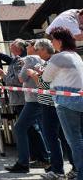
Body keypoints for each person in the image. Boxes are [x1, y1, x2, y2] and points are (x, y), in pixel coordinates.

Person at [25, 38, 70, 179]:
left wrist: (33, 74)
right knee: (63, 138)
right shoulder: (54, 61)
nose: (37, 53)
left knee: (52, 138)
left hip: (50, 105)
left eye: (38, 50)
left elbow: (43, 85)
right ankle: (71, 168)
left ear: (44, 49)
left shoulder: (51, 62)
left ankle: (57, 171)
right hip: (56, 104)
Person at [43, 28, 83, 179]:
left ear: (59, 41)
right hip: (79, 99)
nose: (51, 43)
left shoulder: (58, 57)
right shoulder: (75, 55)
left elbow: (46, 78)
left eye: (52, 39)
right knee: (79, 139)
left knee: (74, 141)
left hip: (66, 103)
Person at [5, 40, 51, 173]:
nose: (27, 47)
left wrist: (20, 71)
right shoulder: (40, 59)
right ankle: (44, 159)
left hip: (33, 100)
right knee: (36, 128)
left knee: (20, 127)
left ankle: (23, 163)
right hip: (39, 98)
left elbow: (21, 78)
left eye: (29, 45)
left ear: (34, 48)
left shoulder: (30, 58)